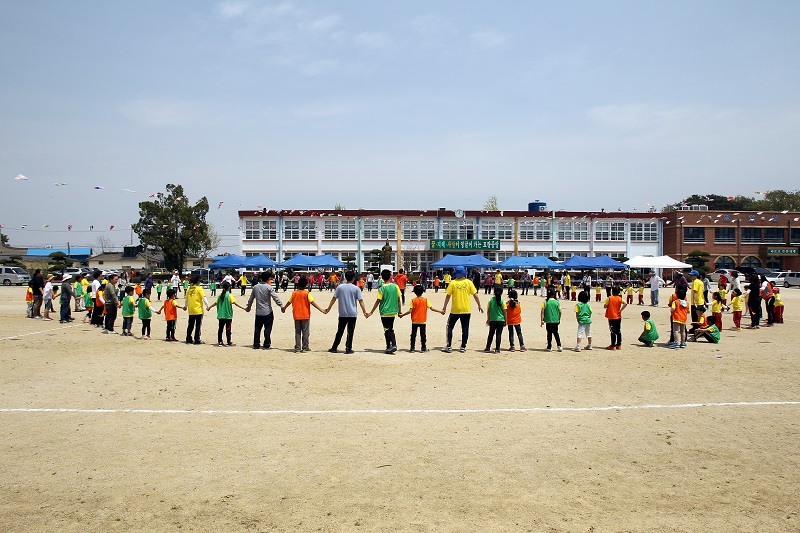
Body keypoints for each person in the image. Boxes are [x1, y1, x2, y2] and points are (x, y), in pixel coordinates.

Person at [441, 266, 483, 353]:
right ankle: (463, 346)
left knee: (450, 327)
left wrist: (444, 307)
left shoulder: (453, 283)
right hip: (466, 309)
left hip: (455, 309)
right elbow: (475, 295)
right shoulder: (469, 282)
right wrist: (479, 305)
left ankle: (449, 346)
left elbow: (448, 296)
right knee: (465, 328)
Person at [326, 271, 368, 354]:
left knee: (340, 330)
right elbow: (361, 301)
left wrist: (328, 308)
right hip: (352, 313)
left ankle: (334, 347)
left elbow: (334, 299)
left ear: (345, 277)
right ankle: (348, 348)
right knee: (350, 331)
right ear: (353, 278)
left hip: (342, 313)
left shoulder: (340, 287)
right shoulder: (356, 288)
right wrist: (364, 311)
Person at [281, 276, 327, 352]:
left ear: (298, 284)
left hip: (296, 315)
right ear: (305, 285)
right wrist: (321, 310)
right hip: (305, 315)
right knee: (305, 332)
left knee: (297, 332)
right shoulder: (307, 293)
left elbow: (289, 302)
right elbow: (312, 302)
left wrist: (284, 308)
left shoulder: (294, 293)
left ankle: (297, 348)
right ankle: (305, 347)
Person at [365, 269, 402, 354]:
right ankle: (390, 345)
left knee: (386, 329)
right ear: (390, 277)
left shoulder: (381, 289)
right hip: (393, 311)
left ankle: (392, 344)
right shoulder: (395, 286)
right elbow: (399, 299)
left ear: (382, 278)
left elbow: (378, 301)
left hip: (384, 312)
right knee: (391, 328)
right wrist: (400, 311)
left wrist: (371, 312)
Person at [398, 284, 444, 353]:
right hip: (422, 320)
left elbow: (410, 311)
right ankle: (423, 347)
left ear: (415, 292)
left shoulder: (413, 300)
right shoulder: (425, 300)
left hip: (414, 320)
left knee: (413, 334)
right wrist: (440, 311)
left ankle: (412, 348)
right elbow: (432, 308)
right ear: (422, 291)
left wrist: (402, 315)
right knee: (423, 334)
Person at [247, 271, 283, 350]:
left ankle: (256, 344)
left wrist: (248, 306)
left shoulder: (255, 287)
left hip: (258, 311)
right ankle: (266, 344)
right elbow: (275, 297)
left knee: (257, 329)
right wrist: (281, 306)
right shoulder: (269, 287)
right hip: (267, 311)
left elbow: (251, 298)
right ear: (268, 279)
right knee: (267, 328)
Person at [207, 281, 248, 347]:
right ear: (229, 288)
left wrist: (209, 307)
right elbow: (235, 304)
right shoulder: (229, 295)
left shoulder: (220, 295)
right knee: (228, 329)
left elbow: (215, 303)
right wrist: (244, 308)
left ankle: (220, 342)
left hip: (221, 315)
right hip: (228, 315)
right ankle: (228, 341)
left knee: (220, 329)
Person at [185, 275, 209, 344]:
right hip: (198, 310)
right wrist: (208, 306)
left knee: (190, 325)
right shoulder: (199, 288)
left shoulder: (189, 289)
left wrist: (185, 306)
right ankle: (197, 339)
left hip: (191, 310)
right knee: (198, 325)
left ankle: (188, 338)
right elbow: (204, 297)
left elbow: (186, 299)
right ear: (198, 281)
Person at [484, 286, 506, 353]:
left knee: (491, 334)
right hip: (501, 320)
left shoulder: (491, 300)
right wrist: (506, 320)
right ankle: (497, 349)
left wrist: (488, 319)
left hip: (492, 319)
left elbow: (488, 311)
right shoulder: (502, 301)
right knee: (498, 334)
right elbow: (505, 312)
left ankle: (488, 347)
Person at [604, 285, 627, 350]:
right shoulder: (620, 298)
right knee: (618, 331)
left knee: (612, 331)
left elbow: (605, 306)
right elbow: (625, 303)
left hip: (611, 316)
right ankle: (619, 344)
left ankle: (613, 345)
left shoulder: (609, 298)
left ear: (612, 292)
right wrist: (620, 310)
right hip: (618, 316)